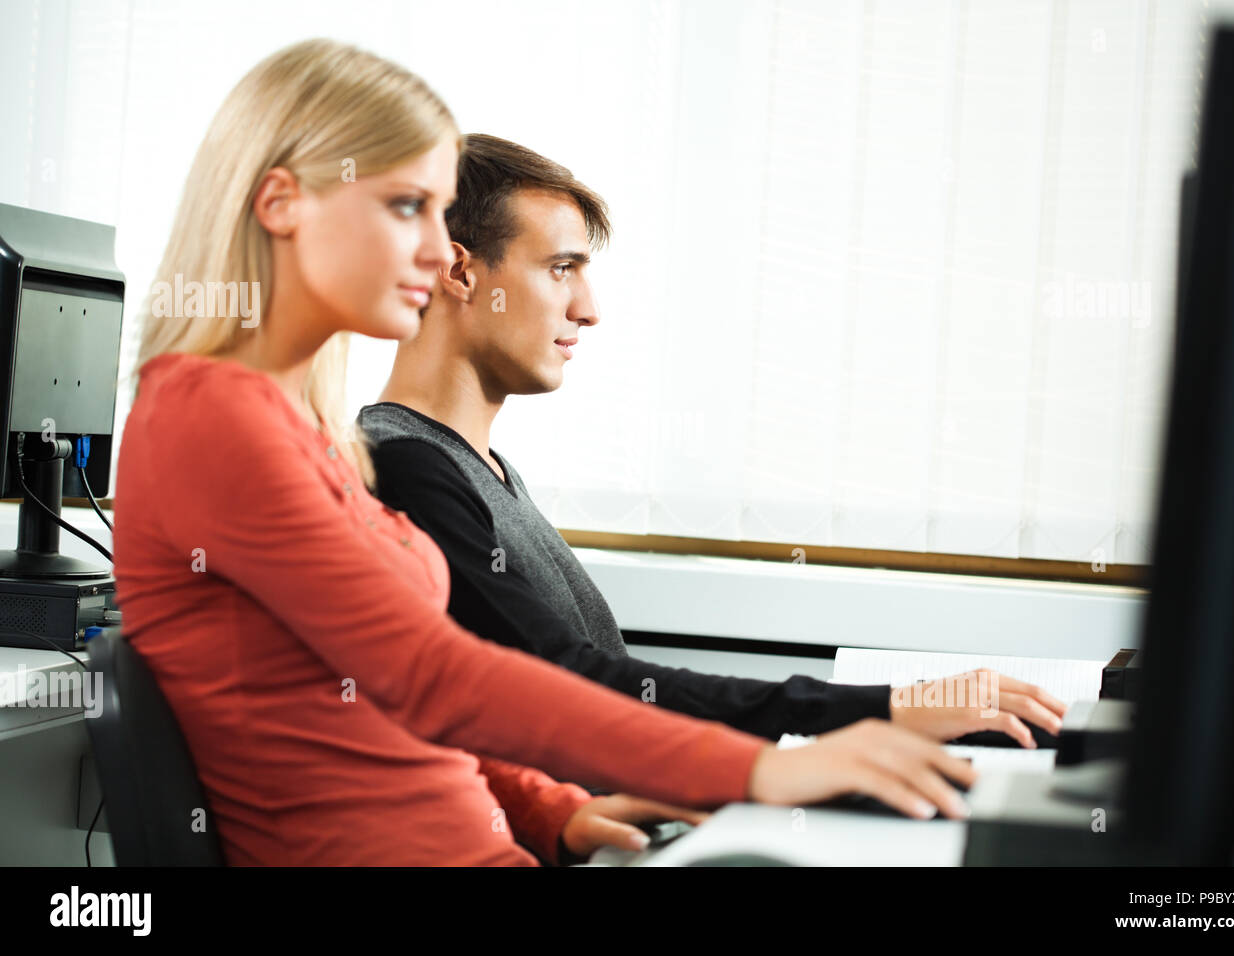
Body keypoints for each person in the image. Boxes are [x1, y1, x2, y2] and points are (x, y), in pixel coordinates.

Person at [113, 38, 976, 867]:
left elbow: (393, 702)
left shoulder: (305, 426)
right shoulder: (208, 415)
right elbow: (432, 674)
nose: (433, 248)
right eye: (406, 205)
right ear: (281, 205)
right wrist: (766, 767)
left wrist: (553, 810)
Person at [358, 134, 1067, 745]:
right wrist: (878, 712)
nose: (590, 309)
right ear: (459, 272)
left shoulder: (481, 467)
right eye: (561, 268)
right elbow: (568, 683)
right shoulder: (406, 467)